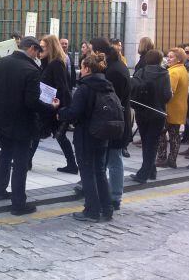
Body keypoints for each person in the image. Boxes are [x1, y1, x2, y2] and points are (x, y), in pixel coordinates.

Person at [0, 36, 60, 215]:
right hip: (21, 122)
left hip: (0, 119)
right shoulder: (31, 70)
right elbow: (31, 102)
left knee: (4, 153)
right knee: (20, 162)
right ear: (31, 49)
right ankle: (18, 203)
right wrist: (50, 108)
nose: (38, 55)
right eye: (37, 51)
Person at [59, 52, 114, 222]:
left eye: (81, 67)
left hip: (86, 136)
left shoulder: (84, 88)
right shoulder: (107, 85)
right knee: (99, 172)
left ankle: (91, 210)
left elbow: (74, 113)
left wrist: (60, 112)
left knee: (87, 173)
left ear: (87, 68)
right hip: (102, 134)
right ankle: (107, 207)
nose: (80, 70)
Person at [89, 37, 131, 210]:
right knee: (107, 159)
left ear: (100, 52)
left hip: (114, 121)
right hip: (116, 118)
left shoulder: (113, 70)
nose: (90, 53)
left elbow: (111, 99)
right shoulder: (116, 65)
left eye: (92, 50)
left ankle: (115, 196)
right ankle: (103, 191)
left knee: (114, 159)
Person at [130, 50, 172, 184]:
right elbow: (167, 96)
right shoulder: (164, 74)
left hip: (142, 111)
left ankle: (147, 171)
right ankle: (148, 171)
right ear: (160, 60)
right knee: (152, 143)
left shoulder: (140, 72)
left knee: (146, 142)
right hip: (158, 113)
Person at [35, 35, 74, 173]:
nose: (40, 50)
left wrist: (59, 109)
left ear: (50, 47)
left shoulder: (56, 64)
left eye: (43, 47)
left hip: (54, 106)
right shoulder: (47, 63)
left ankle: (72, 165)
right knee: (43, 134)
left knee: (50, 134)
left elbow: (62, 87)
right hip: (49, 105)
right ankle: (72, 165)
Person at [156, 48, 189, 169]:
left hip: (169, 109)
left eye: (171, 57)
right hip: (180, 107)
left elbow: (169, 93)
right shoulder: (183, 69)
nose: (168, 59)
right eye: (168, 56)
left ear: (179, 59)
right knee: (174, 135)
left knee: (161, 133)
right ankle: (172, 159)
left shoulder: (173, 73)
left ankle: (162, 158)